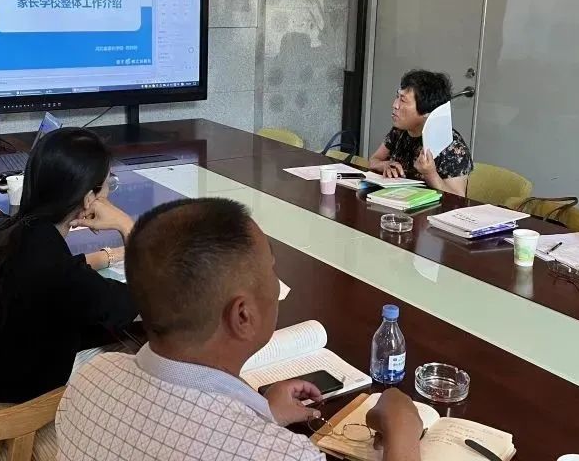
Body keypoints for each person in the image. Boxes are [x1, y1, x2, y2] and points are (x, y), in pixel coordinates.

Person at [56, 197, 424, 461]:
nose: (276, 284)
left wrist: (262, 411)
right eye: (272, 271)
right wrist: (402, 431)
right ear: (243, 316)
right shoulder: (279, 454)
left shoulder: (91, 377)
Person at [0, 128, 137, 459]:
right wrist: (126, 226)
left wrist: (101, 258)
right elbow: (141, 301)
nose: (109, 192)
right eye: (108, 185)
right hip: (14, 405)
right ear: (89, 199)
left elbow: (47, 277)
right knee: (132, 351)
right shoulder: (54, 267)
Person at [369, 69, 473, 196]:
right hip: (396, 200)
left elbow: (458, 199)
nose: (395, 105)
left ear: (426, 112)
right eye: (397, 97)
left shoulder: (453, 146)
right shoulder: (399, 131)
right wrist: (385, 165)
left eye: (403, 100)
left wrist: (430, 174)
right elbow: (373, 160)